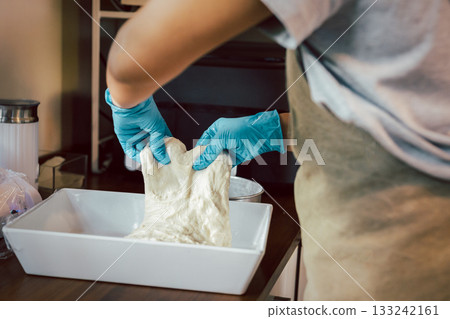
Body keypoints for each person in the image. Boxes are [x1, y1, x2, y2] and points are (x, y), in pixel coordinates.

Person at [105, 0, 450, 300]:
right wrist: (281, 129)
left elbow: (131, 59)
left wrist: (126, 102)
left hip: (396, 250)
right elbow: (413, 100)